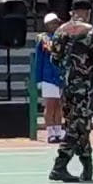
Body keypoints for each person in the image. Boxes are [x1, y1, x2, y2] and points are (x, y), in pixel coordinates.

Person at [49, 0, 93, 182]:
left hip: (66, 86)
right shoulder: (90, 30)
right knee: (78, 126)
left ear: (71, 12)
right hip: (83, 86)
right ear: (88, 12)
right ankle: (59, 166)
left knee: (78, 124)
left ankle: (87, 166)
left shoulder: (61, 30)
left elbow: (54, 58)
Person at [32, 13, 63, 142]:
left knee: (59, 105)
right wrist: (38, 78)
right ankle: (50, 132)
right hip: (48, 76)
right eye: (52, 23)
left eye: (56, 22)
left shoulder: (63, 38)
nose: (55, 25)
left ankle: (58, 131)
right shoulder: (43, 39)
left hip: (60, 75)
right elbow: (39, 60)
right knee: (50, 105)